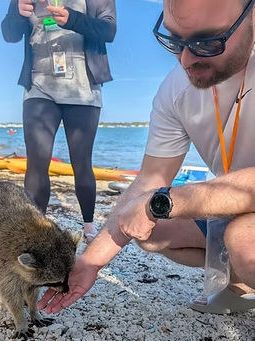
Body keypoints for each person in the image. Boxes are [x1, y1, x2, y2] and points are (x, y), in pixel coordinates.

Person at [39, 0, 255, 315]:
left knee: (243, 243)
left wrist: (166, 201)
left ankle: (244, 268)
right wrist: (90, 262)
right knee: (151, 231)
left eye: (208, 42)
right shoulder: (176, 90)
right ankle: (243, 284)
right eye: (174, 40)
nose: (186, 59)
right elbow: (150, 179)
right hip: (237, 204)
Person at [1, 0, 116, 242]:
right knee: (37, 161)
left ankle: (88, 226)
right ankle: (34, 230)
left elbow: (109, 31)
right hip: (39, 87)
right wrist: (17, 14)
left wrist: (72, 19)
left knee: (81, 162)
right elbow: (9, 34)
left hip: (83, 89)